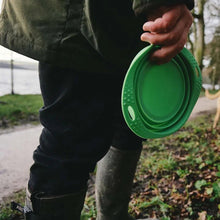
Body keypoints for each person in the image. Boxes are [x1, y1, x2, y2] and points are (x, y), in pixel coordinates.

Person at [0, 1, 194, 219]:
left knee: (128, 126)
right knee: (71, 139)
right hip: (82, 15)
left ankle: (114, 215)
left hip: (118, 21)